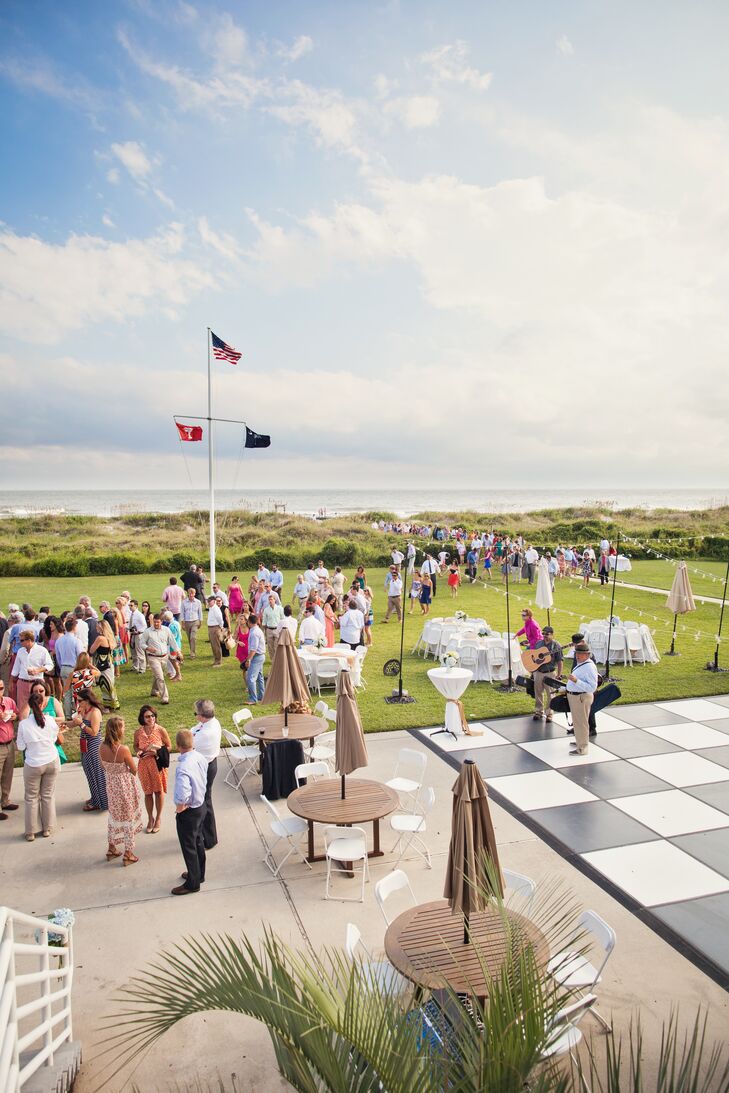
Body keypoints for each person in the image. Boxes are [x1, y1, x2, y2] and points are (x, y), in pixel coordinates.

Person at [16, 690, 63, 840]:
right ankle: (47, 829)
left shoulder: (24, 725)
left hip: (33, 764)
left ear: (30, 706)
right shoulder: (50, 720)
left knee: (31, 797)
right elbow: (55, 737)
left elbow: (21, 747)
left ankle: (31, 832)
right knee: (47, 795)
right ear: (43, 704)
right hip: (51, 761)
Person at [100, 716, 142, 865]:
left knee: (114, 817)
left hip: (111, 787)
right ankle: (128, 853)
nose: (124, 729)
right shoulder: (122, 749)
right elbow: (134, 769)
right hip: (125, 788)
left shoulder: (101, 747)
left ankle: (111, 848)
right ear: (117, 730)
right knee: (127, 819)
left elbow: (103, 766)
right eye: (122, 727)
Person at [171, 729, 209, 896]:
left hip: (190, 811)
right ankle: (199, 874)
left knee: (189, 847)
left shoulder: (183, 767)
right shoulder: (200, 757)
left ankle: (193, 883)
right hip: (201, 806)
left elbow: (183, 794)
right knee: (198, 841)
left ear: (178, 745)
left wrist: (180, 807)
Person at [134, 705, 172, 834]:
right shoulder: (138, 732)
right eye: (147, 716)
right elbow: (135, 745)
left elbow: (169, 746)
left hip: (157, 765)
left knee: (158, 791)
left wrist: (157, 752)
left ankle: (158, 818)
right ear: (142, 718)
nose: (150, 718)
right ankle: (150, 818)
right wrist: (138, 751)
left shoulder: (161, 730)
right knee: (148, 793)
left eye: (152, 716)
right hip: (144, 765)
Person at [191, 698, 221, 850]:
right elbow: (193, 730)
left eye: (196, 713)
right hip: (209, 764)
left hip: (205, 767)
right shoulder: (211, 723)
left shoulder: (205, 734)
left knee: (204, 801)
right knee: (204, 800)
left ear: (202, 715)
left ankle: (209, 838)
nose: (195, 716)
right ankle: (206, 834)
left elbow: (189, 743)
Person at [72, 690, 108, 811]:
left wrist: (81, 724)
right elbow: (74, 723)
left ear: (87, 700)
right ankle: (95, 798)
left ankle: (101, 801)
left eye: (80, 700)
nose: (78, 703)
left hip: (94, 747)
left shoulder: (95, 712)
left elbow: (94, 732)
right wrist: (61, 723)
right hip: (85, 746)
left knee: (97, 773)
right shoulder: (83, 710)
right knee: (89, 773)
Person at [566, 643, 599, 756]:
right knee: (578, 722)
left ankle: (582, 748)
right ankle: (580, 742)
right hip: (576, 696)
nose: (578, 656)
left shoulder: (589, 667)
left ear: (587, 655)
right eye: (577, 653)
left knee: (581, 723)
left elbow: (592, 687)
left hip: (581, 697)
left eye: (581, 654)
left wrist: (576, 681)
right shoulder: (582, 664)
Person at [11, 631, 54, 715]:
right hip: (22, 682)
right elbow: (16, 668)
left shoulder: (42, 650)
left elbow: (50, 665)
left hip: (37, 683)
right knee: (22, 708)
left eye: (22, 640)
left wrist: (38, 670)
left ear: (29, 640)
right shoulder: (20, 651)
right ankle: (23, 725)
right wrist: (11, 681)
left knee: (38, 705)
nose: (20, 642)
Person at [139, 614, 174, 702]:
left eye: (158, 622)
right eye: (154, 622)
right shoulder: (148, 632)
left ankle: (154, 691)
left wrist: (178, 651)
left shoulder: (166, 630)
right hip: (153, 658)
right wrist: (148, 648)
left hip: (164, 657)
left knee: (157, 675)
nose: (156, 624)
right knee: (160, 677)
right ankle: (165, 698)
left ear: (161, 622)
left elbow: (172, 641)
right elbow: (141, 643)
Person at [531, 627, 563, 723]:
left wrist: (559, 674)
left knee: (550, 694)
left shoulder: (556, 645)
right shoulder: (539, 643)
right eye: (543, 633)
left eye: (547, 634)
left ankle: (549, 713)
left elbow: (560, 661)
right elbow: (534, 656)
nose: (545, 636)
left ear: (552, 634)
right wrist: (533, 670)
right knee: (538, 693)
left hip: (550, 673)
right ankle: (538, 711)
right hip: (538, 672)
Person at [89, 618, 120, 710]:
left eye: (97, 626)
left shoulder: (100, 638)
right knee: (110, 683)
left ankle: (109, 705)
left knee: (105, 684)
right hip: (109, 662)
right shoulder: (110, 638)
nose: (96, 628)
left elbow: (91, 650)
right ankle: (113, 703)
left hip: (102, 663)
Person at [0, 679, 19, 821]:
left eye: (1, 687)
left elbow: (17, 715)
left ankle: (5, 801)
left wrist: (14, 716)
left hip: (10, 743)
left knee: (8, 774)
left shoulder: (9, 701)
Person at [246, 614, 266, 703]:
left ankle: (253, 699)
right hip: (261, 656)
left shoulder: (254, 633)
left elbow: (253, 649)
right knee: (259, 677)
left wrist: (248, 659)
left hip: (257, 657)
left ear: (249, 622)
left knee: (251, 678)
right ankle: (262, 695)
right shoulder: (257, 630)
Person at [180, 586, 203, 657]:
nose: (191, 594)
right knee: (189, 637)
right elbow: (182, 613)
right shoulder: (184, 602)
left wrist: (200, 621)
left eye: (192, 593)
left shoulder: (198, 602)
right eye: (190, 593)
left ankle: (193, 653)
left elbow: (200, 612)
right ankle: (191, 649)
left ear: (195, 594)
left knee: (193, 637)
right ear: (188, 593)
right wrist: (182, 623)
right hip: (187, 621)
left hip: (195, 621)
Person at [262, 594, 284, 659]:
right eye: (269, 600)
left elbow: (282, 619)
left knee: (276, 646)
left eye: (271, 599)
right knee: (270, 646)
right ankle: (273, 659)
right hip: (269, 630)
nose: (270, 601)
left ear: (275, 600)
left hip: (277, 629)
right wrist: (264, 631)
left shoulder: (280, 609)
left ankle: (277, 659)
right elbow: (264, 621)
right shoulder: (266, 610)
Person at [128, 599, 148, 672]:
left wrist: (138, 631)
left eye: (131, 605)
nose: (130, 607)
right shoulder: (132, 614)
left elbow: (144, 625)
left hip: (139, 635)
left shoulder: (139, 615)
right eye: (129, 605)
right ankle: (135, 666)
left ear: (136, 606)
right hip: (132, 634)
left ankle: (142, 668)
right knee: (133, 651)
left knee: (139, 651)